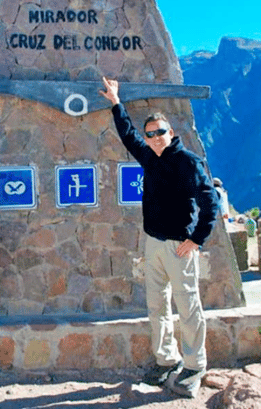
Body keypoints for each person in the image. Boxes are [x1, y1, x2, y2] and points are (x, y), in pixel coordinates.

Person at [100, 77, 219, 399]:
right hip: (153, 243)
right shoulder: (150, 157)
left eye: (159, 132)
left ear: (171, 133)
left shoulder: (188, 162)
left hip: (179, 246)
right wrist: (115, 101)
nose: (153, 138)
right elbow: (127, 134)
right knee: (157, 305)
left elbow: (211, 202)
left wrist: (196, 240)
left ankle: (195, 364)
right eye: (149, 133)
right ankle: (167, 359)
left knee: (188, 307)